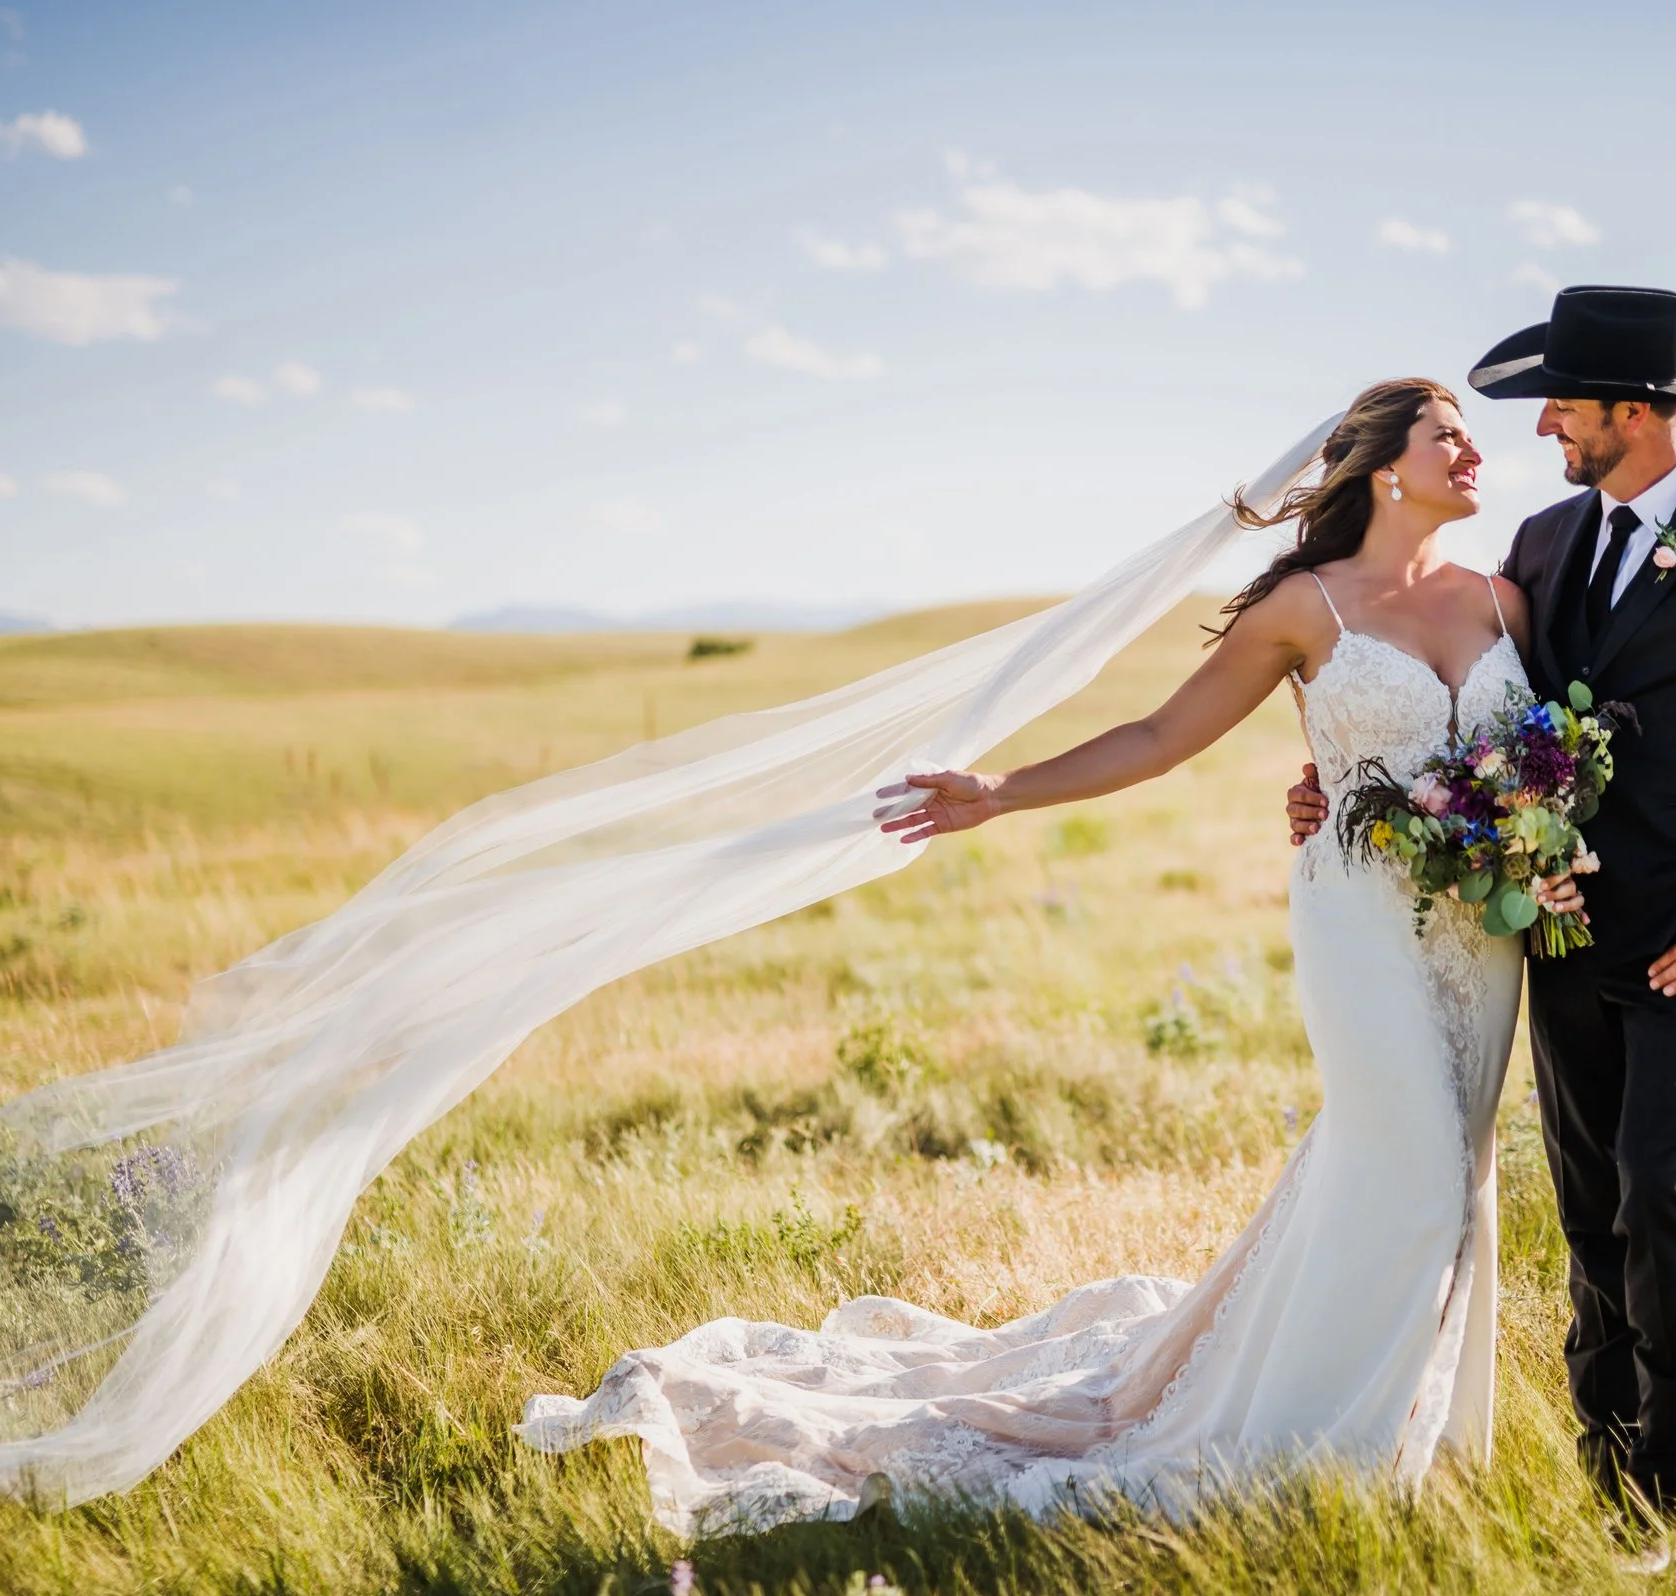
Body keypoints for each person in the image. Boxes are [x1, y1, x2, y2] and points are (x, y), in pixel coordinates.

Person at [514, 377, 1586, 1534]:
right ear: (1385, 466)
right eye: (1450, 437)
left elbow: (1551, 746)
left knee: (1440, 1180)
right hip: (1359, 921)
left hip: (1481, 934)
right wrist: (1001, 792)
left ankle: (1400, 1450)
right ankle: (1315, 1466)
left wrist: (1546, 831)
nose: (1478, 454)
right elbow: (1161, 734)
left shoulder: (1505, 601)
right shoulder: (1303, 606)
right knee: (1419, 1170)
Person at [1285, 288, 1676, 1529]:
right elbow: (1491, 718)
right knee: (1589, 1194)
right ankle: (1604, 1451)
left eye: (1564, 402)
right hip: (1553, 926)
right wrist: (1344, 778)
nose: (1544, 424)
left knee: (1663, 1184)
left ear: (1638, 410)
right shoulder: (1542, 545)